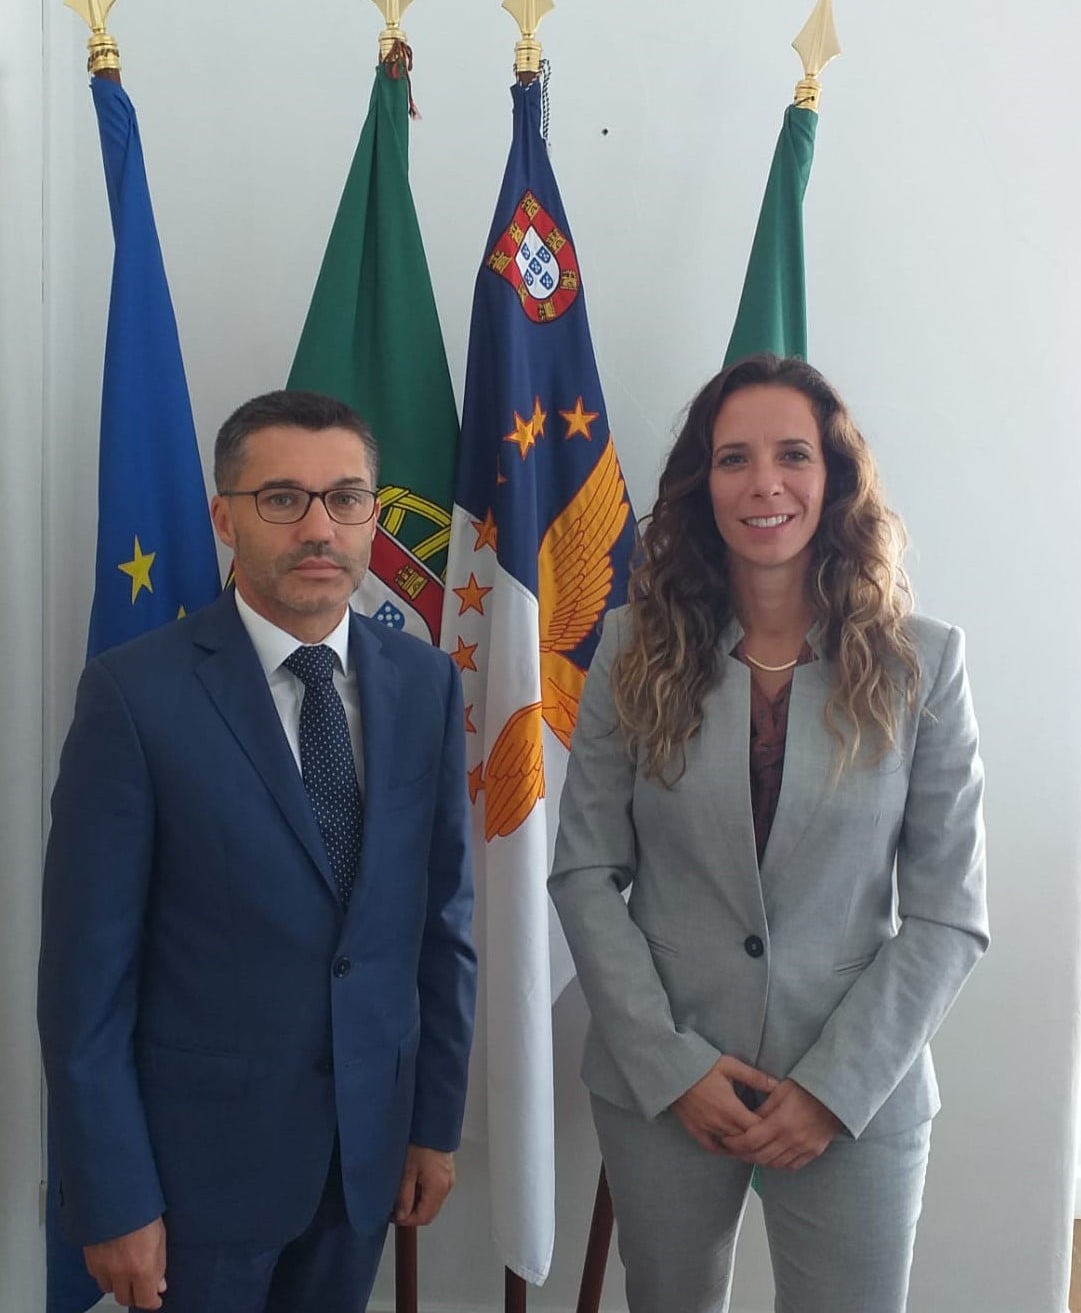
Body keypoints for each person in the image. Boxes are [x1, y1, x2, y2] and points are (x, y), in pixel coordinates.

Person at [549, 354, 988, 1313]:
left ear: (834, 479)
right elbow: (583, 872)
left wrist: (833, 1087)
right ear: (700, 485)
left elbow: (947, 916)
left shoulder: (922, 664)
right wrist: (671, 1065)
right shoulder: (630, 648)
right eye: (732, 458)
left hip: (854, 1085)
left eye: (792, 455)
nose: (764, 483)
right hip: (667, 1079)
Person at [38, 390, 476, 1313]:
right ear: (224, 518)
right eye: (282, 498)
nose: (319, 528)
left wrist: (432, 1123)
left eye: (345, 498)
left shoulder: (426, 683)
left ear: (373, 515)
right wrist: (112, 1193)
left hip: (365, 1158)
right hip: (195, 1181)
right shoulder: (134, 697)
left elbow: (441, 925)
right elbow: (86, 982)